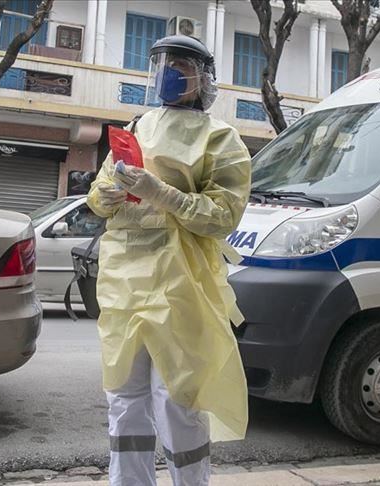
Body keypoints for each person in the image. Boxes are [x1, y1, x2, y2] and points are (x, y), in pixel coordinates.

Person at [86, 35, 251, 486]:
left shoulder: (221, 139)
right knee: (124, 398)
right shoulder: (136, 127)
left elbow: (223, 216)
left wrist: (161, 192)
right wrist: (107, 195)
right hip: (124, 282)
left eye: (180, 65)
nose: (168, 73)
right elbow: (98, 195)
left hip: (182, 283)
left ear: (203, 78)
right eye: (162, 63)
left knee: (178, 399)